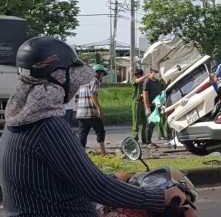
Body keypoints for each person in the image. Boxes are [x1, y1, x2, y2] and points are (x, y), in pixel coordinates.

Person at [0, 36, 186, 216]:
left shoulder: (16, 122)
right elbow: (97, 188)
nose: (74, 87)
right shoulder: (47, 127)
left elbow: (74, 178)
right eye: (72, 79)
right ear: (58, 77)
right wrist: (160, 198)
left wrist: (114, 179)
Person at [76, 63, 109, 155]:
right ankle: (103, 152)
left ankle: (81, 153)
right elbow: (93, 95)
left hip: (81, 113)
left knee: (82, 133)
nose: (103, 76)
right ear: (97, 73)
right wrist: (99, 109)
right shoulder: (94, 80)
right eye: (102, 74)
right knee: (100, 131)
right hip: (91, 112)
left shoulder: (83, 81)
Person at [143, 68, 164, 148]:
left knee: (153, 123)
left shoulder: (157, 81)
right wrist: (147, 107)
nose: (157, 74)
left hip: (157, 104)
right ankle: (148, 142)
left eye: (158, 72)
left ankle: (150, 141)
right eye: (155, 72)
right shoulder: (147, 81)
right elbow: (145, 95)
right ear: (151, 72)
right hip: (150, 105)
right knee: (150, 123)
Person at [131, 68, 149, 143]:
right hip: (136, 102)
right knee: (136, 121)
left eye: (137, 75)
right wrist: (147, 75)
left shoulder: (145, 81)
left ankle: (144, 139)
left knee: (145, 122)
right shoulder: (133, 80)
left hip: (143, 102)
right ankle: (135, 138)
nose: (136, 76)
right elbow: (137, 81)